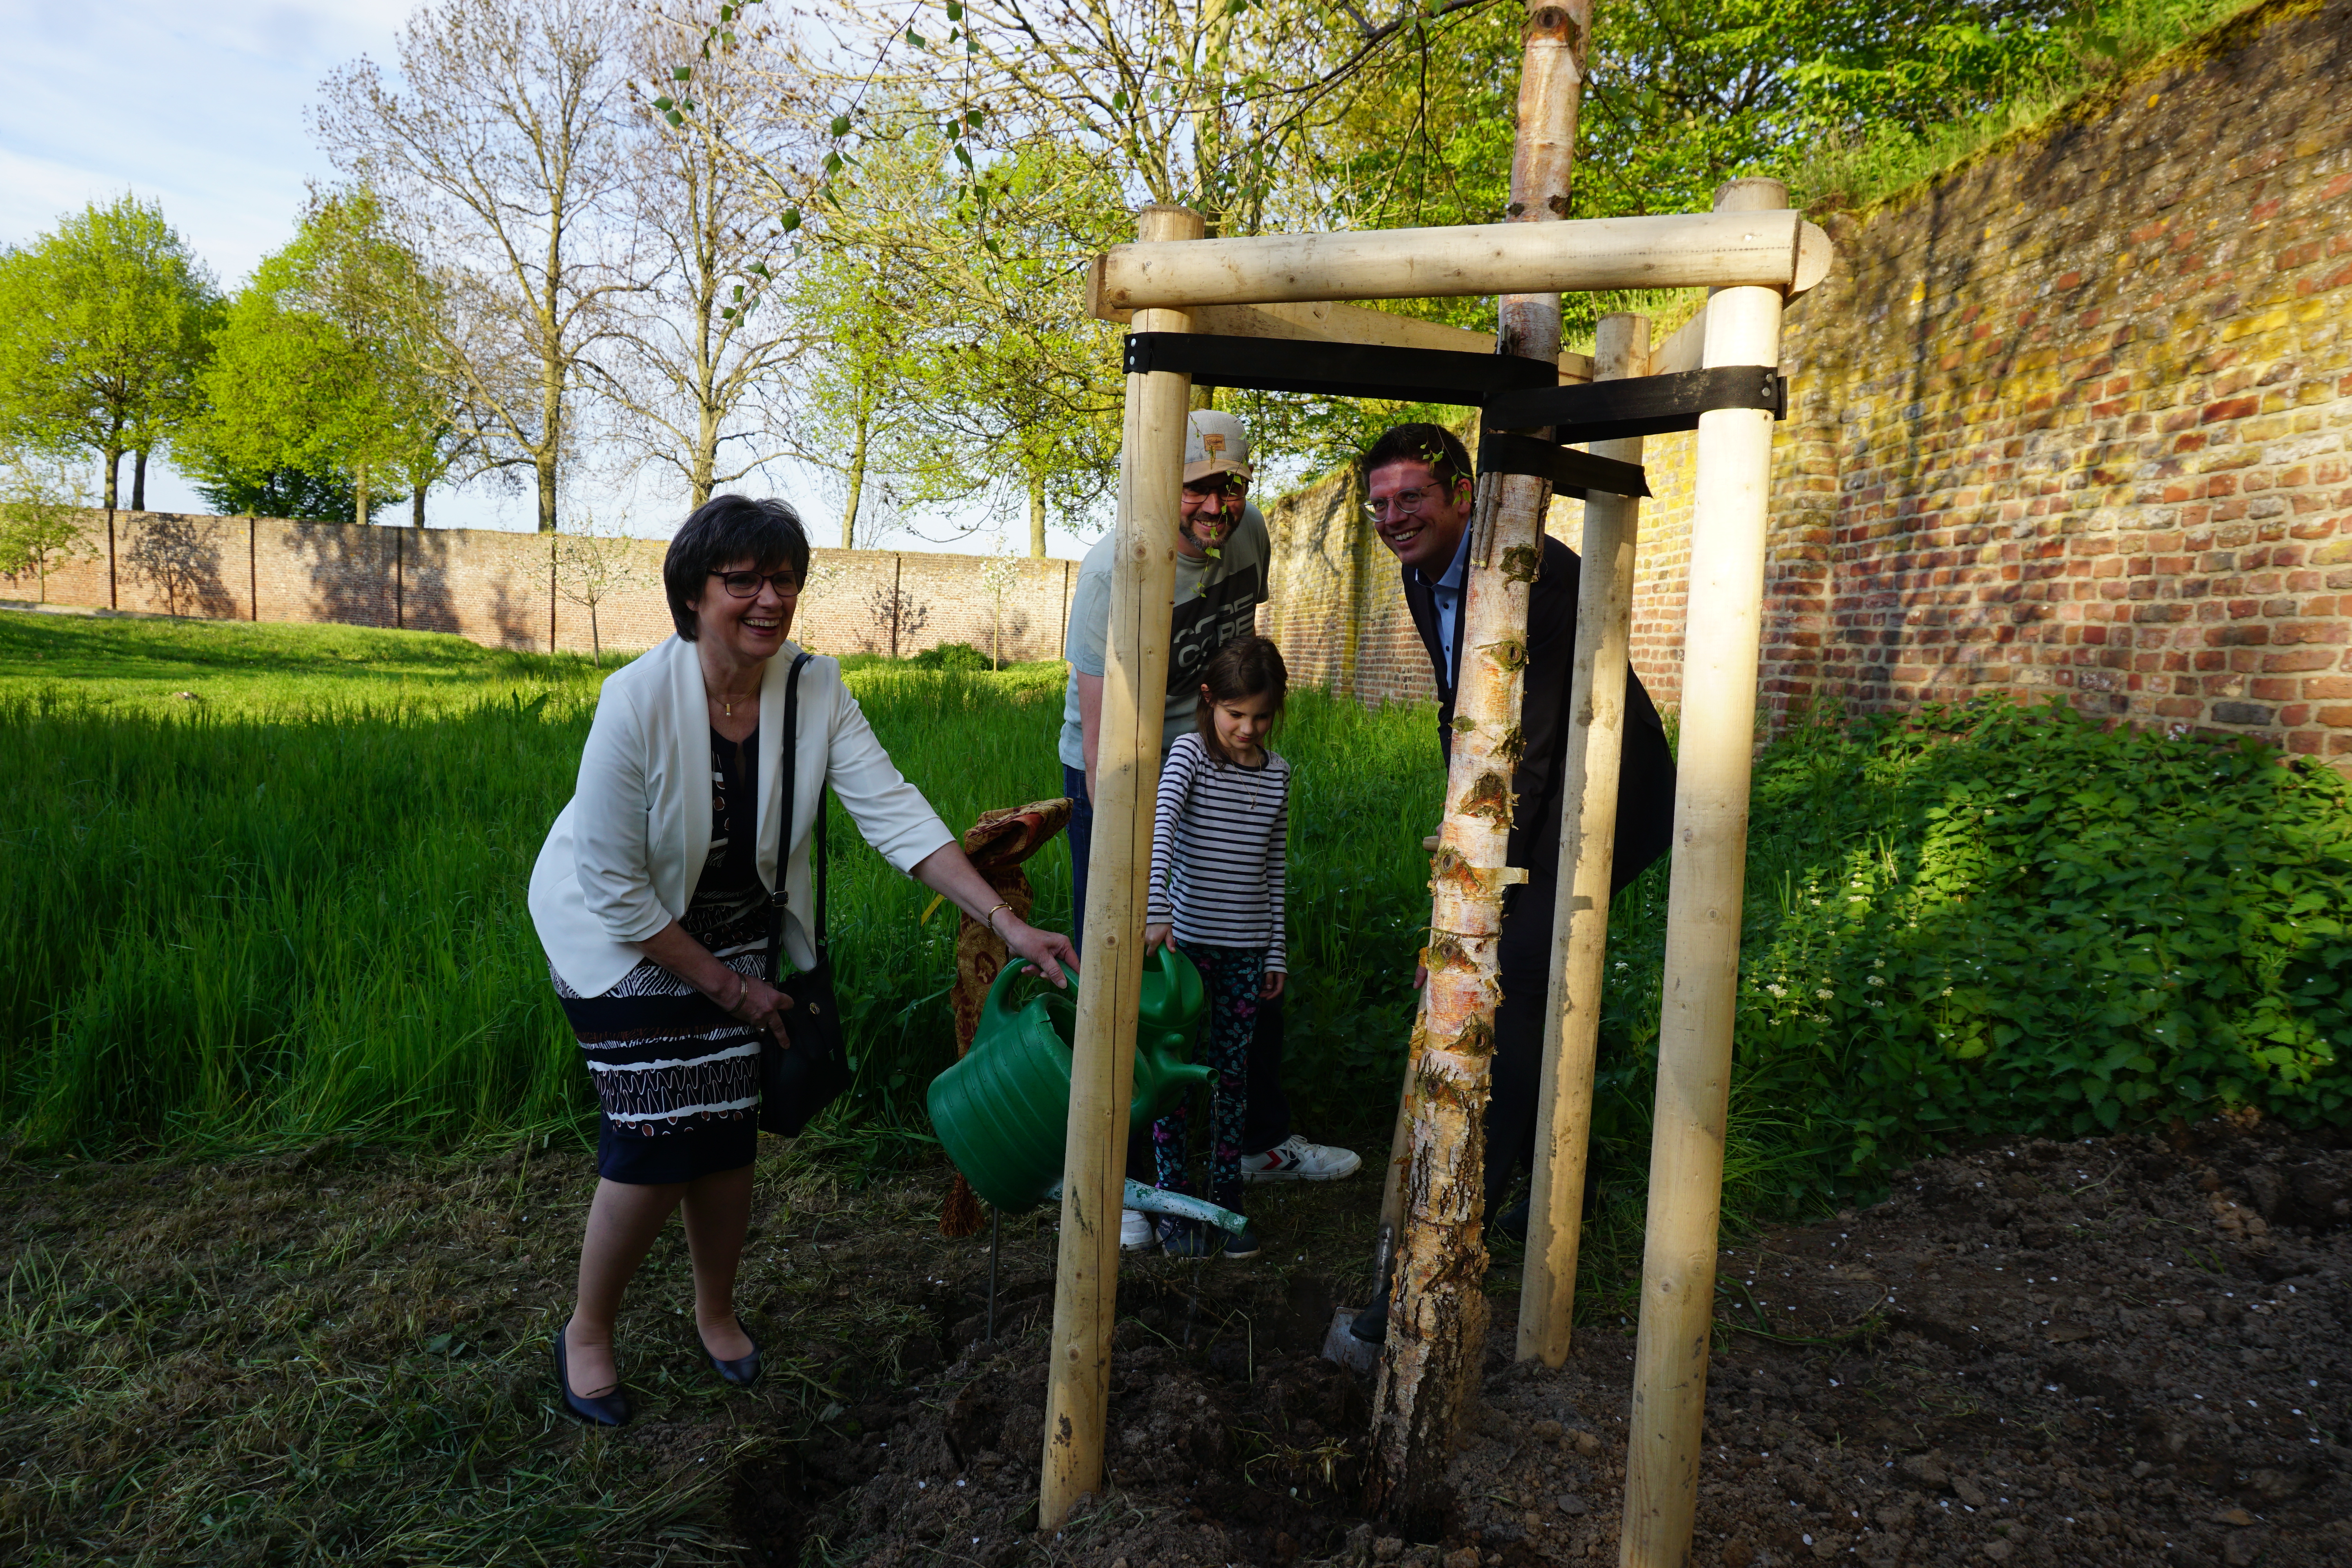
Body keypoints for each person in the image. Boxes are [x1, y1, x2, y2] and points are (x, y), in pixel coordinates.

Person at [528, 494, 1076, 1428]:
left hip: (739, 926)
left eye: (783, 579)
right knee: (657, 1135)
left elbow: (894, 811)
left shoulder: (814, 688)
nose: (769, 598)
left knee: (727, 1129)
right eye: (741, 580)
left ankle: (715, 1310)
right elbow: (615, 889)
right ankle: (588, 1329)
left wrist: (1006, 922)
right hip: (621, 932)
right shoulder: (636, 700)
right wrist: (732, 988)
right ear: (693, 594)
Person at [1056, 410, 1359, 1252]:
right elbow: (1101, 735)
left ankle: (1258, 1143)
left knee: (1241, 954)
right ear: (1162, 486)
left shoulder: (1250, 532)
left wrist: (1236, 747)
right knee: (1123, 968)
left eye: (1232, 486)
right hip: (1119, 766)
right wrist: (1138, 864)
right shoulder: (1113, 571)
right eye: (1197, 488)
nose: (1216, 507)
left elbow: (1238, 655)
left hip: (1214, 751)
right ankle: (1120, 1175)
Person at [1367, 423, 1677, 1234]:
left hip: (1603, 789)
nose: (1394, 518)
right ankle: (1555, 1177)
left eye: (1411, 498)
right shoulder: (1421, 569)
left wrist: (1481, 884)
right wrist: (1459, 827)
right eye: (1380, 504)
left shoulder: (1534, 576)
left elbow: (1529, 746)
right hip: (1531, 784)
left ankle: (1467, 1213)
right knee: (1514, 974)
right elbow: (1461, 707)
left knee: (1513, 978)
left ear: (1463, 495)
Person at [1141, 636, 1292, 1259]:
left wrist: (1276, 950)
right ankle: (1173, 1200)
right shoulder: (1190, 756)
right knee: (1174, 1073)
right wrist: (1156, 909)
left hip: (1247, 954)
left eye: (1262, 717)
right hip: (1185, 951)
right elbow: (1161, 828)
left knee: (1233, 1077)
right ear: (1209, 700)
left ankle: (1226, 1197)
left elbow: (1274, 866)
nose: (1248, 729)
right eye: (1236, 714)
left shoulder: (1278, 774)